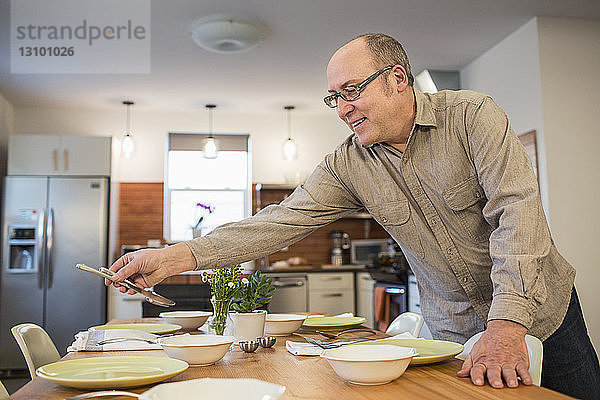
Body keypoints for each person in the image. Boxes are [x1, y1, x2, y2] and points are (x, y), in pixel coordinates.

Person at [108, 33, 600, 398]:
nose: (341, 109)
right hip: (455, 330)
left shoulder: (473, 118)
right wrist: (174, 258)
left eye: (351, 91)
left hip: (542, 313)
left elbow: (518, 214)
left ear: (397, 80)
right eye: (334, 98)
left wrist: (509, 323)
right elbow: (278, 221)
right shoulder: (349, 164)